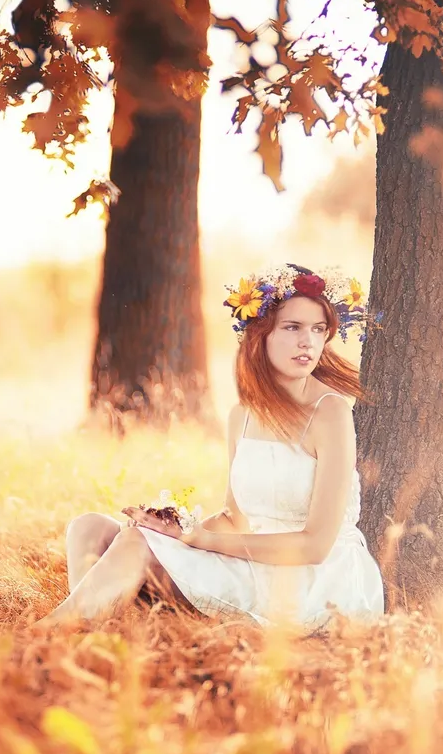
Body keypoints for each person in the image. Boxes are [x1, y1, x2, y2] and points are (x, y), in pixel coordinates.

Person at [37, 264, 385, 631]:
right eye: (293, 327)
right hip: (254, 560)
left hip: (313, 579)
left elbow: (316, 546)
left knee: (138, 545)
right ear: (260, 334)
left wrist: (202, 541)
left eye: (318, 330)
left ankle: (43, 637)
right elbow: (235, 518)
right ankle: (87, 627)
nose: (308, 342)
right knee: (90, 527)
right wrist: (175, 530)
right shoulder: (242, 416)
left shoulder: (329, 412)